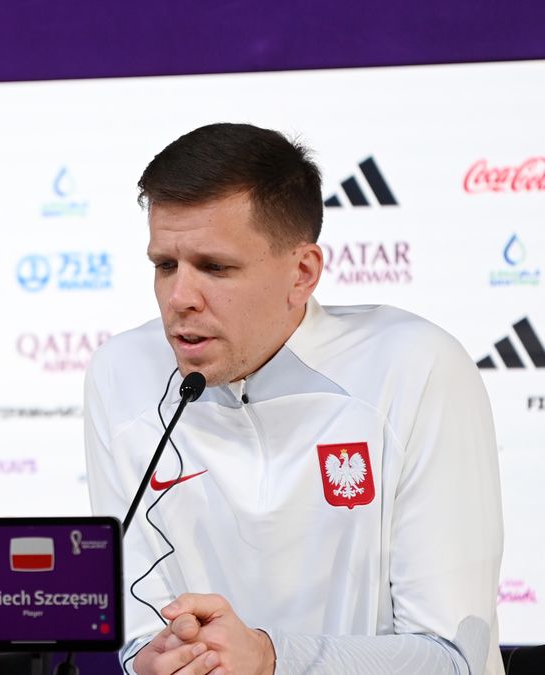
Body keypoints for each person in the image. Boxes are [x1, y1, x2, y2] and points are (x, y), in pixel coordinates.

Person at [84, 123, 503, 675]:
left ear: (302, 273)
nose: (179, 298)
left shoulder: (415, 367)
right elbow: (139, 629)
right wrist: (153, 659)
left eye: (215, 267)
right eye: (165, 266)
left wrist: (270, 658)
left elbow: (454, 659)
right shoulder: (121, 373)